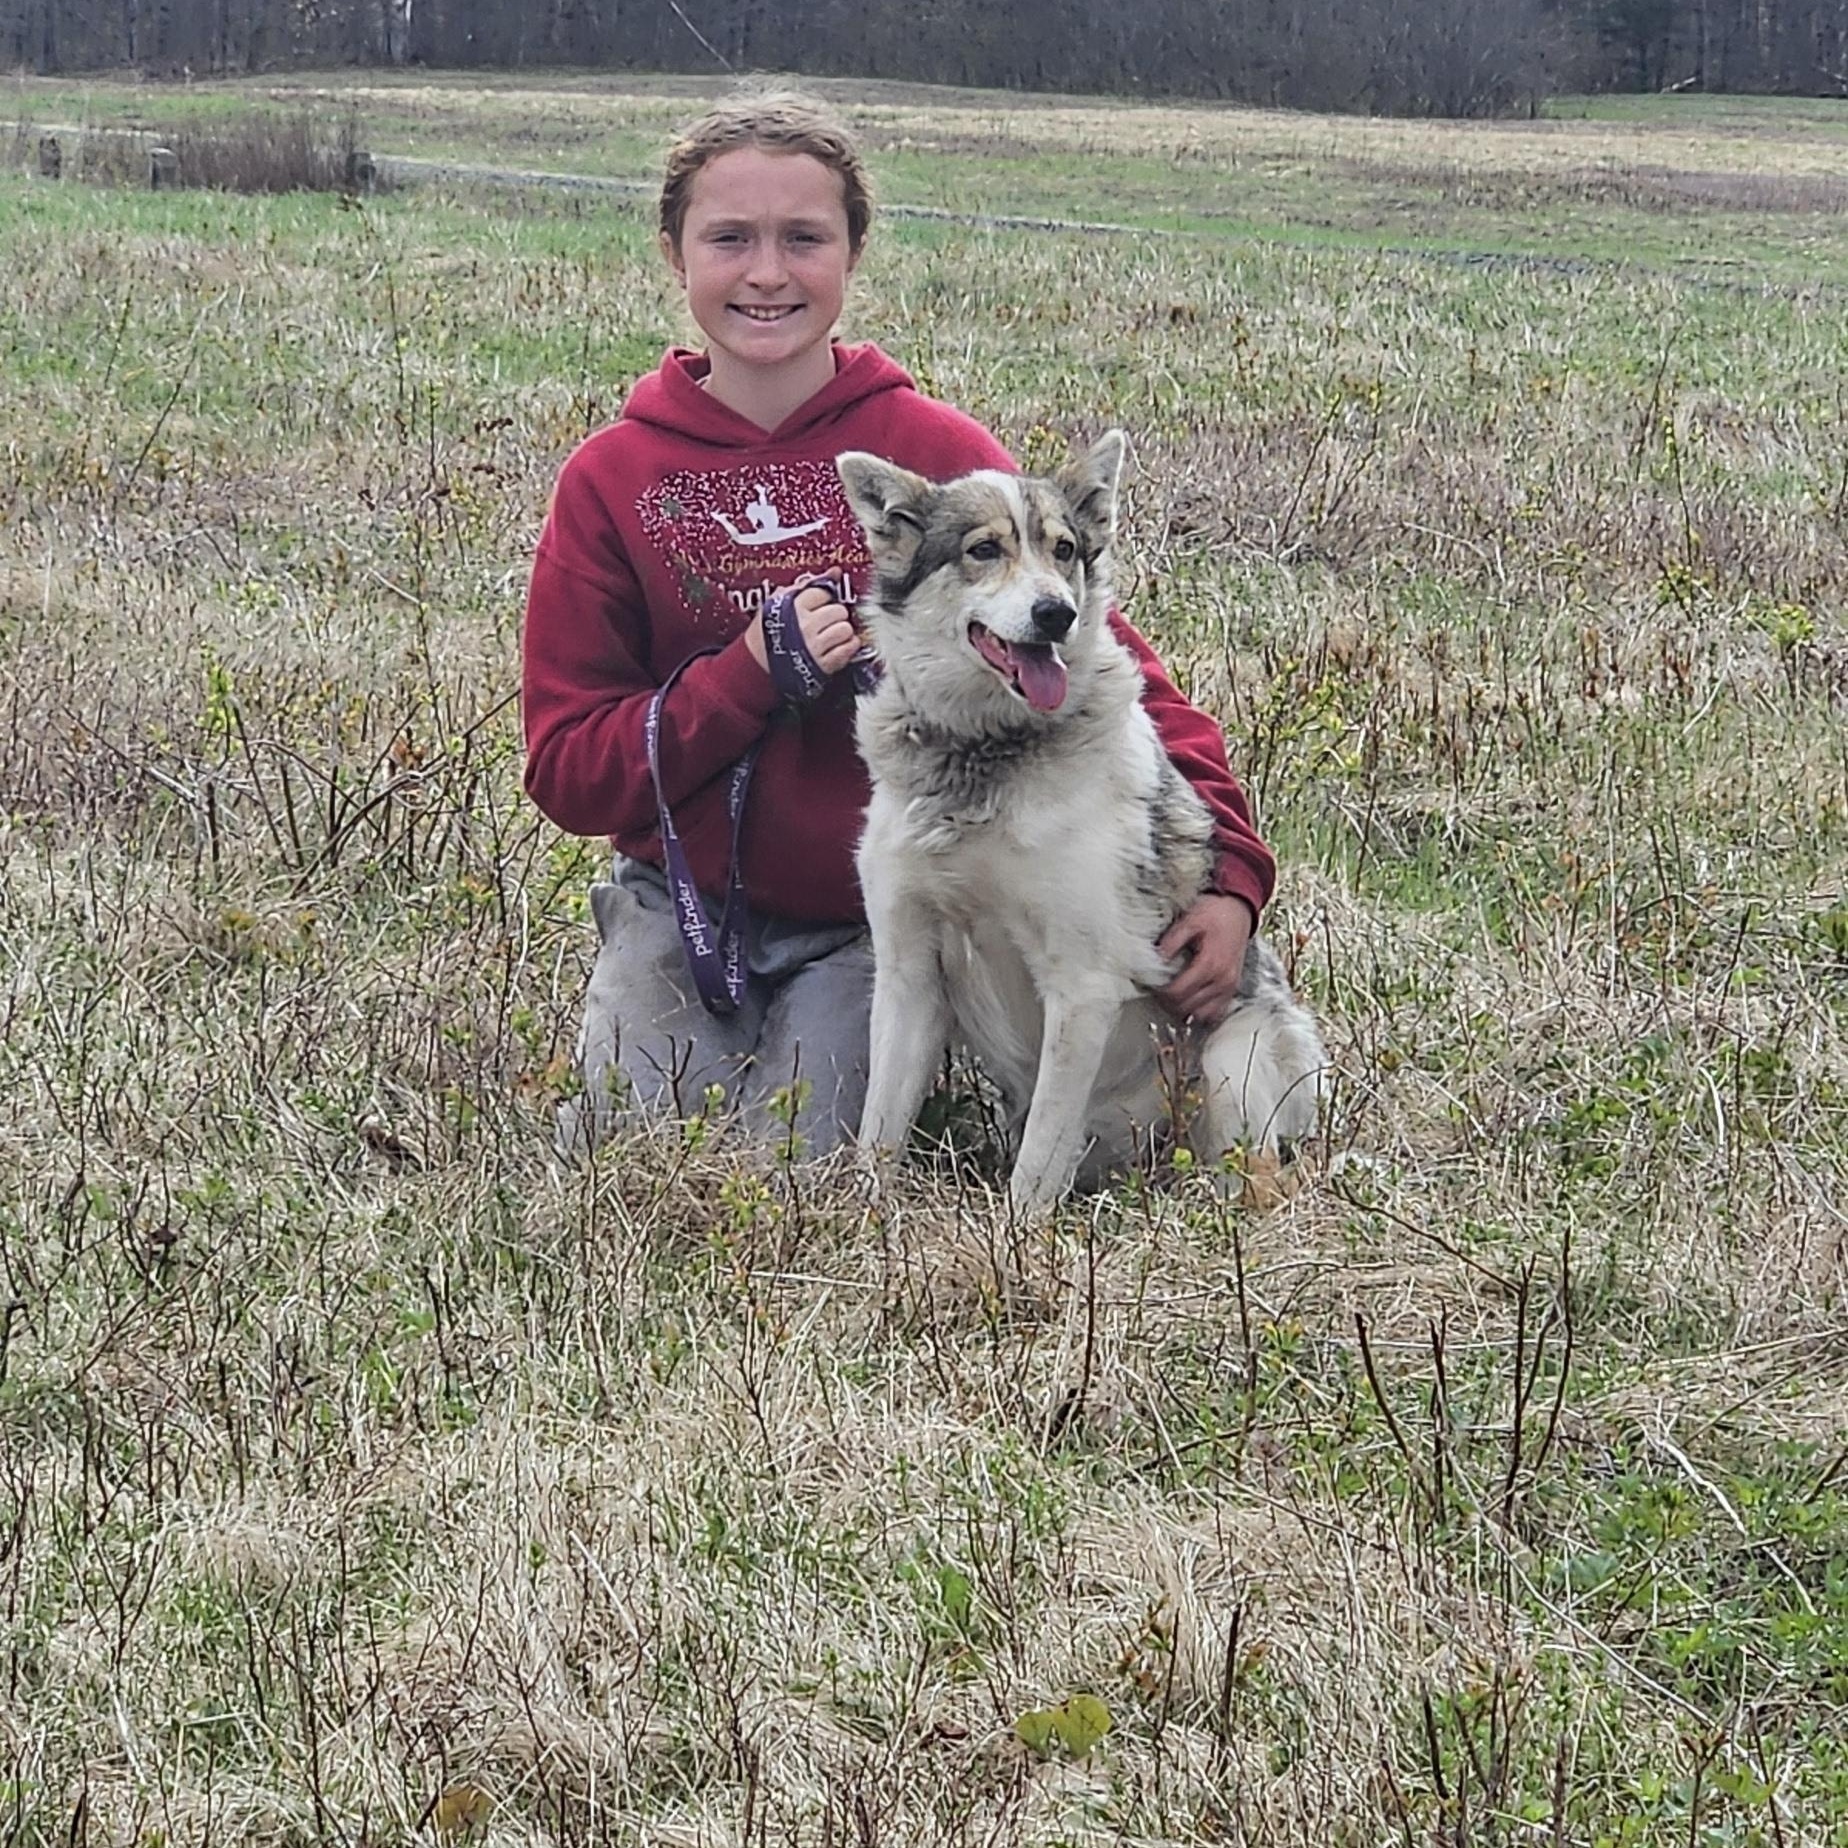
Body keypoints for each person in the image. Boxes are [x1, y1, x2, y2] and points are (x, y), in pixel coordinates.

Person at [522, 90, 1276, 1160]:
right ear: (673, 252)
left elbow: (1114, 676)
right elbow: (565, 767)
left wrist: (1236, 877)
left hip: (869, 930)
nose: (768, 273)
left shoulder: (932, 453)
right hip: (682, 910)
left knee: (797, 1173)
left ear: (854, 252)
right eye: (729, 238)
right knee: (631, 1160)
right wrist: (741, 678)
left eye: (805, 239)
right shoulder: (613, 480)